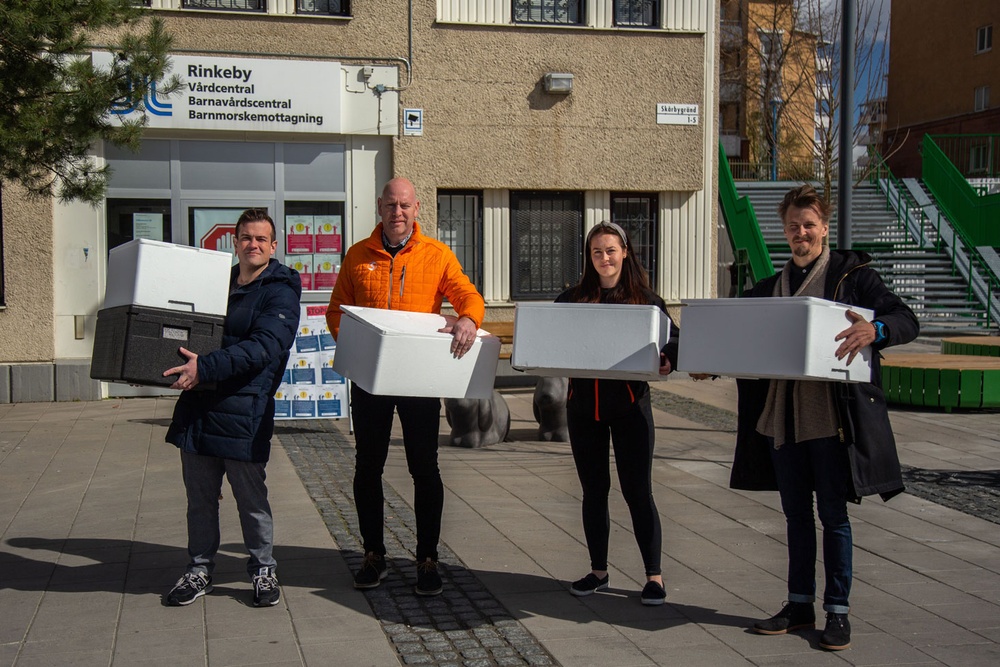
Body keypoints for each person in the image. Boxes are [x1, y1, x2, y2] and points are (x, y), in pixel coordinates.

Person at [726, 184, 918, 650]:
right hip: (781, 422)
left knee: (832, 517)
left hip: (829, 422)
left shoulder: (854, 278)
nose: (801, 233)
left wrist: (876, 328)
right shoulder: (772, 287)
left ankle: (837, 612)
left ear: (824, 227)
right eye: (793, 226)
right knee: (794, 517)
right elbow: (732, 331)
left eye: (809, 225)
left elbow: (906, 318)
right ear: (785, 231)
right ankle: (798, 604)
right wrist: (697, 355)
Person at [326, 177, 485, 596]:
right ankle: (373, 555)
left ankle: (427, 558)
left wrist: (468, 317)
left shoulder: (436, 255)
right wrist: (358, 351)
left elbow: (468, 295)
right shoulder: (358, 256)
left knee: (425, 468)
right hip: (372, 381)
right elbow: (336, 313)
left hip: (417, 380)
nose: (398, 212)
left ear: (417, 209)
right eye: (391, 205)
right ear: (379, 207)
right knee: (368, 466)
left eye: (405, 205)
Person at [162, 208, 301, 608]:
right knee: (200, 499)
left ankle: (262, 570)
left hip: (245, 411)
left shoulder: (280, 291)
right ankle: (200, 569)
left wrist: (203, 367)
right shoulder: (216, 283)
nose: (252, 244)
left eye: (261, 239)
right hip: (200, 409)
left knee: (251, 500)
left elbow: (263, 347)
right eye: (246, 238)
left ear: (273, 247)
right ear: (235, 242)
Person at [556, 221, 679, 606]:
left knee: (637, 491)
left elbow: (674, 339)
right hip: (583, 410)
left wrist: (667, 358)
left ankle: (654, 577)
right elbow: (549, 337)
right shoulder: (572, 300)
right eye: (597, 252)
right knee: (594, 491)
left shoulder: (646, 302)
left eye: (610, 250)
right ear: (588, 258)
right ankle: (598, 571)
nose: (604, 258)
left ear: (625, 253)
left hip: (630, 410)